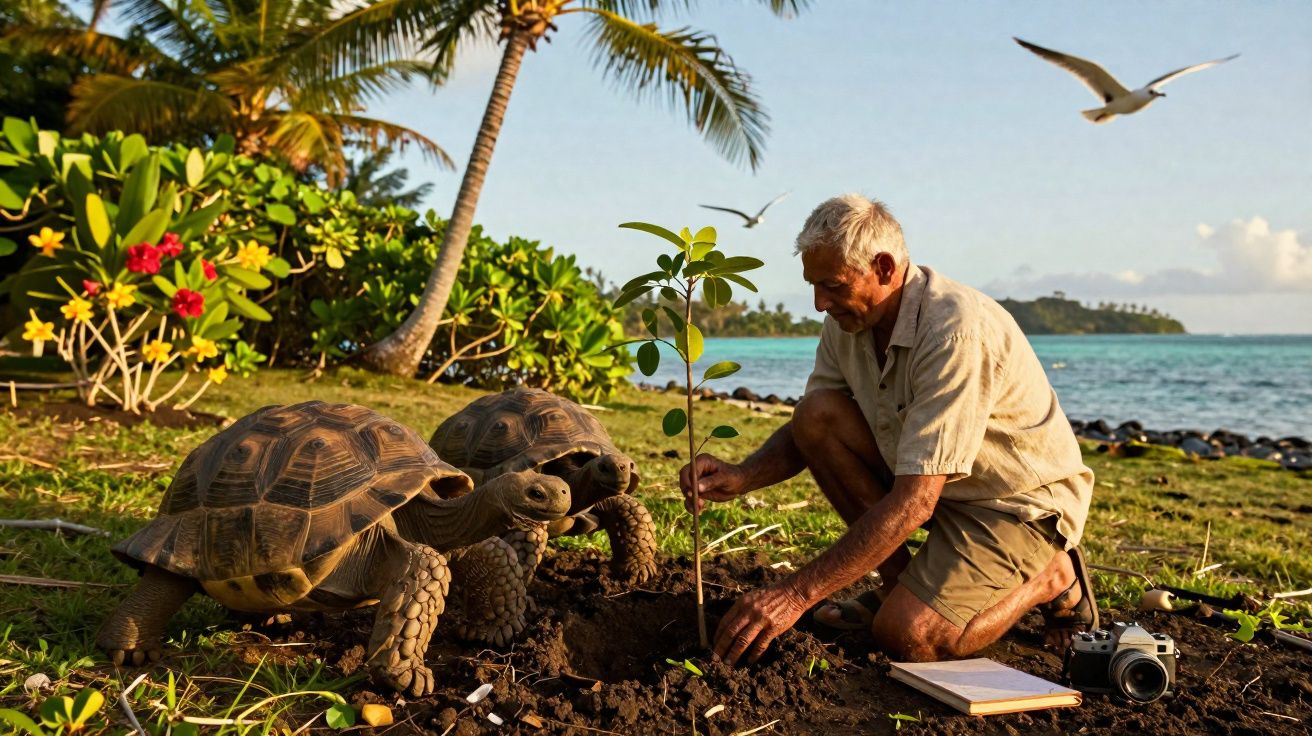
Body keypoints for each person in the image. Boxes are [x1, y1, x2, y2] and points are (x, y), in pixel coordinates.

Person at [679, 194, 1097, 666]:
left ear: (883, 267)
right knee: (816, 413)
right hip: (934, 486)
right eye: (813, 286)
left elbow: (916, 501)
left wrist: (795, 595)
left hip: (1013, 506)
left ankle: (1053, 576)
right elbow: (812, 427)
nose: (819, 304)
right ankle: (899, 585)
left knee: (909, 636)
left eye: (832, 286)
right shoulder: (848, 320)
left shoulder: (954, 332)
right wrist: (742, 476)